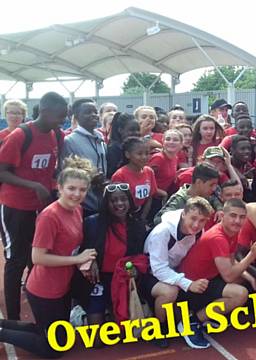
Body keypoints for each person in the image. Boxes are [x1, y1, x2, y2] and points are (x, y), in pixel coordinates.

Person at [0, 159, 97, 358]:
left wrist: (86, 259)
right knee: (54, 350)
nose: (77, 194)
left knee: (57, 335)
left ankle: (3, 325)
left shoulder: (77, 208)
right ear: (59, 187)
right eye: (71, 188)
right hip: (45, 289)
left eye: (82, 189)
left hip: (62, 285)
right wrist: (78, 259)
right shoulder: (49, 216)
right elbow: (38, 257)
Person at [0, 91, 67, 321]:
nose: (62, 122)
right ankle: (13, 320)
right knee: (16, 260)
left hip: (41, 206)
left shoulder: (56, 134)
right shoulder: (21, 135)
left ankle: (37, 306)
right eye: (59, 117)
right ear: (45, 112)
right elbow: (2, 172)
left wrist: (56, 184)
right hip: (15, 206)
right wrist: (33, 185)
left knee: (36, 256)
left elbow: (53, 167)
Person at [178, 199, 256, 349]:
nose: (237, 221)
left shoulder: (231, 232)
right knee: (240, 294)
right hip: (192, 286)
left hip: (208, 278)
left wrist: (251, 279)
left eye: (242, 217)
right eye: (233, 216)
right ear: (222, 215)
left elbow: (231, 262)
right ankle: (192, 321)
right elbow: (229, 276)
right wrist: (251, 255)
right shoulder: (217, 238)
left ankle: (207, 315)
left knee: (243, 281)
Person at [141, 197, 214, 348]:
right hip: (149, 274)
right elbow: (159, 269)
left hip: (174, 270)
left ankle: (188, 319)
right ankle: (159, 329)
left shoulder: (199, 232)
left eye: (202, 221)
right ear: (183, 214)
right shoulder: (162, 232)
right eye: (193, 218)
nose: (196, 225)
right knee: (170, 292)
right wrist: (188, 283)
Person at [80, 182, 146, 327]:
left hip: (123, 280)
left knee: (128, 334)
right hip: (98, 281)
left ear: (129, 201)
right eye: (113, 200)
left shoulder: (138, 225)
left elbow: (141, 257)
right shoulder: (92, 223)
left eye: (123, 199)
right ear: (106, 203)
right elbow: (81, 251)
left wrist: (134, 269)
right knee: (96, 340)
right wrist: (91, 261)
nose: (119, 203)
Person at [61, 99, 108, 216]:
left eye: (95, 112)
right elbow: (67, 172)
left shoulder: (100, 138)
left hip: (102, 201)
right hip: (83, 204)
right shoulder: (70, 141)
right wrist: (91, 177)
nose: (93, 115)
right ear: (76, 116)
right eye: (87, 112)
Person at [111, 137, 166, 221]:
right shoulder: (120, 175)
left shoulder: (149, 171)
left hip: (140, 213)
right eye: (139, 154)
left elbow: (149, 197)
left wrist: (142, 218)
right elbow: (115, 203)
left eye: (147, 153)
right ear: (128, 155)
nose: (144, 157)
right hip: (123, 216)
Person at [154, 163, 220, 225]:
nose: (214, 189)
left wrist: (219, 209)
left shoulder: (205, 195)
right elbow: (158, 220)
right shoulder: (179, 200)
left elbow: (213, 199)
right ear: (198, 182)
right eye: (211, 185)